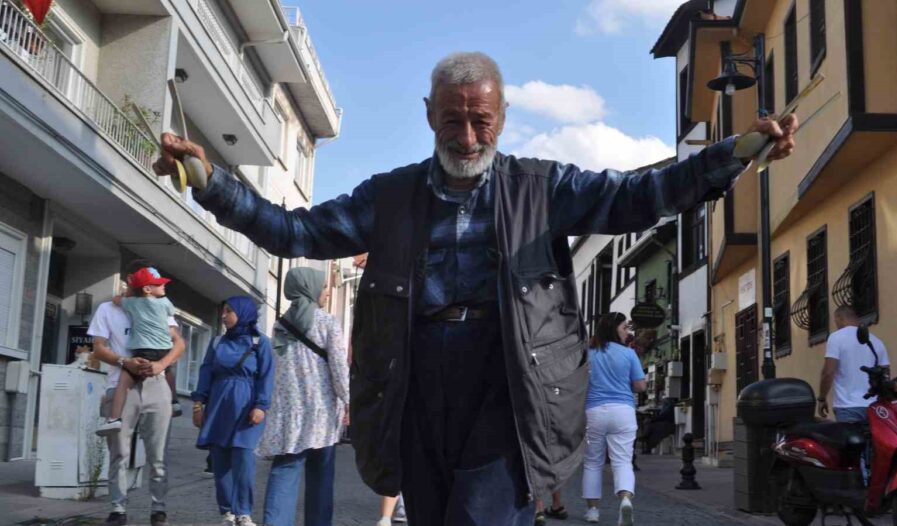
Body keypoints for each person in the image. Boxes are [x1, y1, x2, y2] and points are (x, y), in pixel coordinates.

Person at [153, 51, 798, 526]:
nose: (466, 138)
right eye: (452, 122)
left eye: (481, 122)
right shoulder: (390, 196)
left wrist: (731, 154)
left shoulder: (542, 188)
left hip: (507, 379)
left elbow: (639, 196)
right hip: (413, 378)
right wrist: (214, 185)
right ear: (429, 114)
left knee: (481, 517)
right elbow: (292, 230)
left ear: (503, 118)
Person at [89, 260, 186, 526]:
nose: (155, 286)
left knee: (158, 454)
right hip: (120, 384)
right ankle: (118, 509)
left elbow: (178, 343)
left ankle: (158, 508)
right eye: (151, 282)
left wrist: (160, 366)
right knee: (119, 451)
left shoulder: (159, 306)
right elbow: (97, 347)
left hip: (156, 383)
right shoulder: (108, 309)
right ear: (132, 280)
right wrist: (124, 362)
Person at [258, 268, 350, 526]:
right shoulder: (328, 322)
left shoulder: (281, 325)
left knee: (285, 470)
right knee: (321, 477)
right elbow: (339, 369)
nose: (326, 292)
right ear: (309, 288)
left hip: (289, 412)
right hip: (321, 412)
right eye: (323, 287)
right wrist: (350, 400)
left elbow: (279, 365)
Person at [193, 297, 274, 526]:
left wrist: (261, 405)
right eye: (223, 311)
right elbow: (206, 372)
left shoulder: (260, 342)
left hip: (247, 404)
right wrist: (198, 404)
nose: (223, 315)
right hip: (219, 404)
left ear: (243, 313)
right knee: (220, 460)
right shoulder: (217, 342)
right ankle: (227, 512)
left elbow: (267, 376)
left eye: (229, 311)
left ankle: (244, 512)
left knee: (244, 458)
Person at [582, 312, 646, 526]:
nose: (628, 332)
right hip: (623, 412)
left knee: (592, 462)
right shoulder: (629, 354)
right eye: (624, 328)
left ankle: (592, 511)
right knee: (622, 461)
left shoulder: (589, 353)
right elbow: (640, 386)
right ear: (614, 329)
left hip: (594, 412)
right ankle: (626, 501)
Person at [97, 266, 177, 436]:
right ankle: (175, 400)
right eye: (159, 283)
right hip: (162, 350)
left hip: (145, 355)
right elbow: (98, 349)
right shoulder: (164, 303)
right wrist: (162, 364)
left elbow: (117, 300)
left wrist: (126, 362)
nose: (163, 286)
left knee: (124, 380)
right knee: (169, 370)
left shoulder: (132, 303)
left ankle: (114, 419)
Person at [818, 305, 890, 423]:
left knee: (850, 440)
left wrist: (822, 398)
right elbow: (886, 374)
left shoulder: (836, 338)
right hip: (875, 407)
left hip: (847, 407)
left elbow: (828, 373)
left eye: (835, 321)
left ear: (840, 318)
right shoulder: (876, 341)